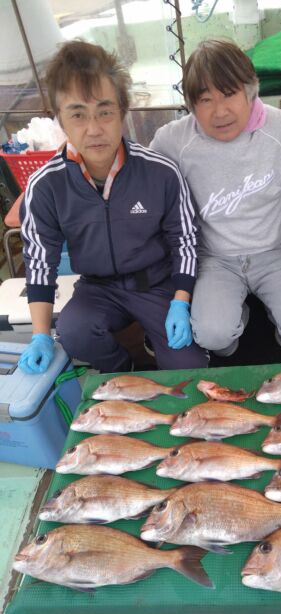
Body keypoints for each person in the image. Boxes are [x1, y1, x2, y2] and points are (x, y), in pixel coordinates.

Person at [19, 40, 208, 374]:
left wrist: (180, 301)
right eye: (78, 114)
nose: (94, 129)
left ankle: (157, 344)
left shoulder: (160, 172)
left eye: (105, 112)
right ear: (60, 119)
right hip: (98, 288)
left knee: (189, 366)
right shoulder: (45, 186)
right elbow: (39, 263)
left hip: (158, 284)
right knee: (74, 331)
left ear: (122, 111)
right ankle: (128, 370)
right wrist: (40, 335)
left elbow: (186, 240)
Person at [150, 39, 281, 357]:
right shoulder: (173, 141)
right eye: (205, 100)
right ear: (191, 105)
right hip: (214, 259)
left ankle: (280, 323)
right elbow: (144, 179)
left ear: (251, 90)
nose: (220, 111)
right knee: (214, 339)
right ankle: (238, 319)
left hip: (275, 252)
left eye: (229, 94)